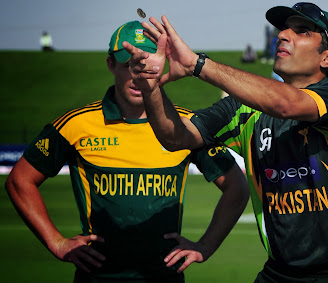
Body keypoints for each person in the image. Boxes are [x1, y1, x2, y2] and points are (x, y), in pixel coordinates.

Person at [122, 2, 328, 282]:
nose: (283, 35)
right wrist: (150, 87)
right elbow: (176, 137)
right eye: (283, 29)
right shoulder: (242, 110)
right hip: (278, 274)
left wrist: (197, 65)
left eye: (302, 31)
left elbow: (286, 104)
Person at [5, 21, 249, 282]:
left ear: (163, 64)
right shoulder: (75, 124)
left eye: (147, 66)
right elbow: (20, 181)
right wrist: (57, 242)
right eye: (129, 66)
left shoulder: (186, 128)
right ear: (111, 65)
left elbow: (237, 187)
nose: (139, 76)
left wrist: (205, 246)